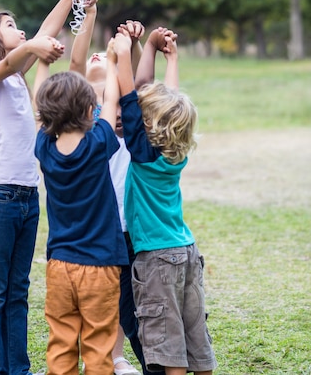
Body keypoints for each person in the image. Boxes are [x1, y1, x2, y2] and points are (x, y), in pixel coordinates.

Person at [0, 0, 97, 375]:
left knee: (18, 291)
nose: (22, 31)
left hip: (27, 196)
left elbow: (41, 35)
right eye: (11, 26)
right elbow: (12, 61)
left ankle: (17, 369)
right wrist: (31, 49)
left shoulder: (15, 77)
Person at [113, 27, 217, 375]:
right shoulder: (177, 153)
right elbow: (170, 102)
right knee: (195, 336)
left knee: (168, 345)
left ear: (146, 124)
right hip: (187, 250)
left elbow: (128, 95)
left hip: (156, 257)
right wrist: (169, 56)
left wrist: (123, 52)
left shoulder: (140, 153)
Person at [33, 37, 129, 375]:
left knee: (60, 342)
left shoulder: (45, 148)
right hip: (101, 265)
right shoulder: (98, 142)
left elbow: (37, 108)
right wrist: (115, 61)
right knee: (99, 346)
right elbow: (113, 99)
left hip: (59, 264)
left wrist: (42, 61)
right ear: (91, 111)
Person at [71, 16, 160, 375]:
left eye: (101, 55)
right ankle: (95, 351)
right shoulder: (79, 107)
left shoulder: (125, 102)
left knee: (125, 297)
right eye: (95, 55)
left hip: (128, 218)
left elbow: (139, 78)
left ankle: (117, 356)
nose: (96, 55)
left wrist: (135, 44)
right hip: (96, 219)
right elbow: (77, 63)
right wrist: (89, 15)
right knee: (98, 294)